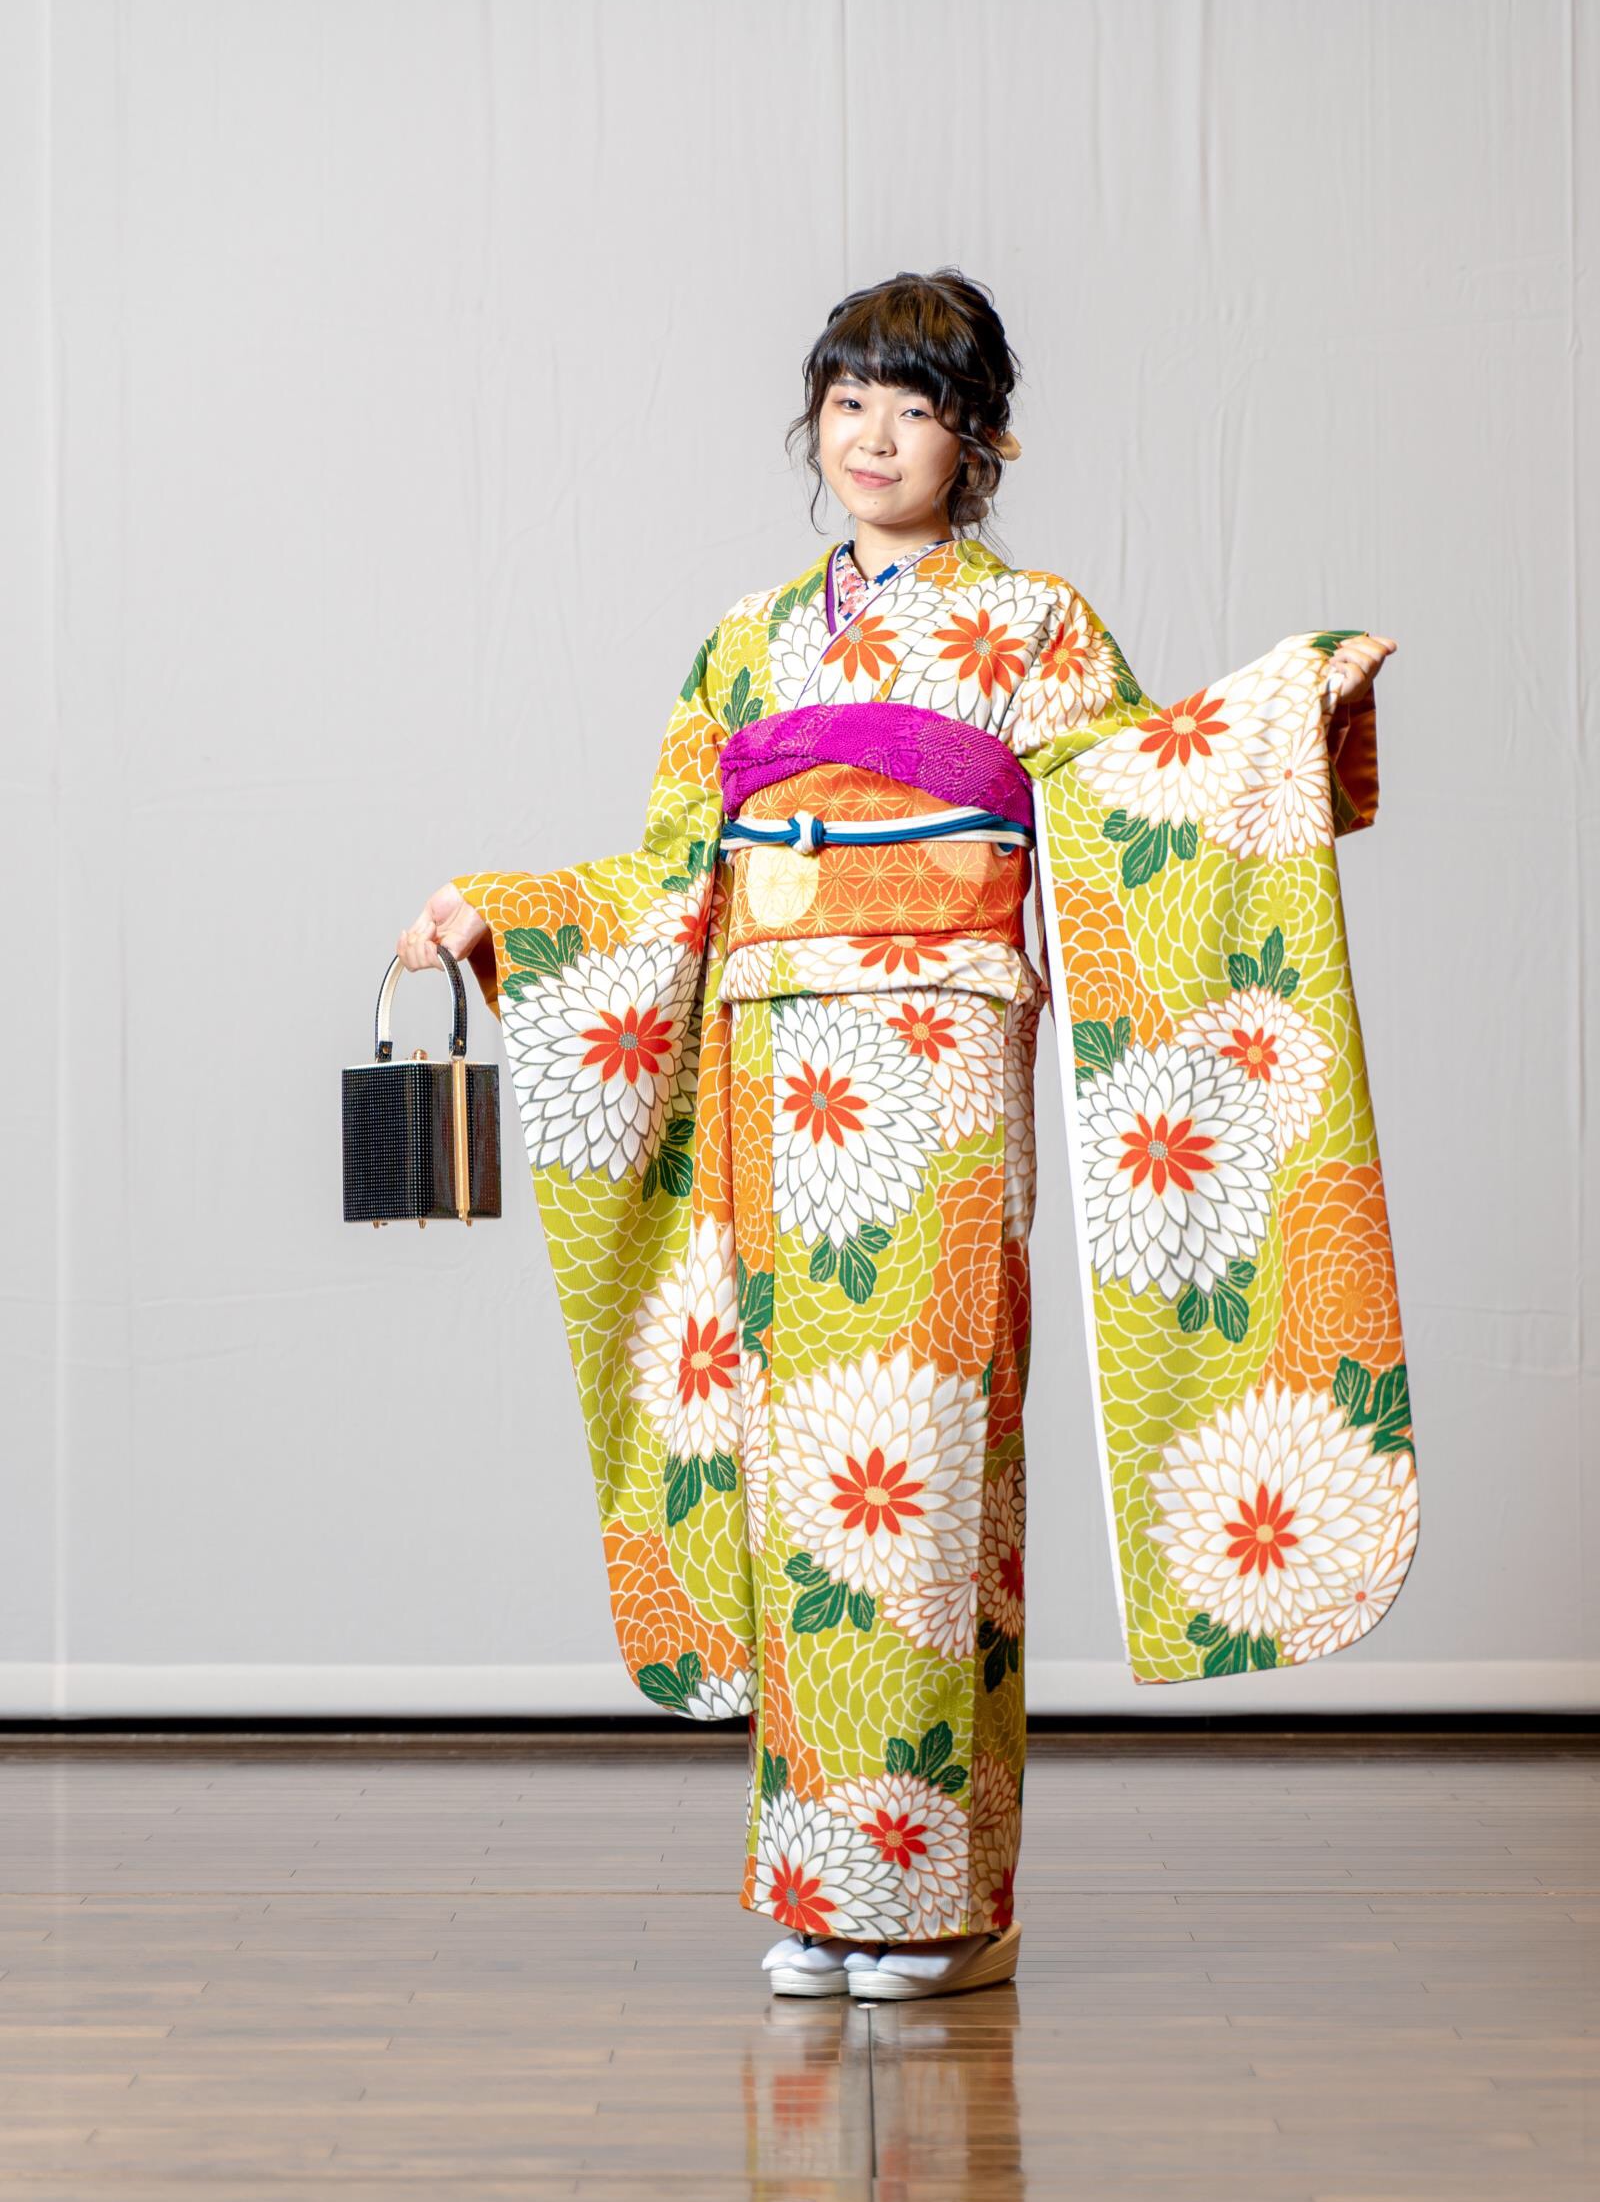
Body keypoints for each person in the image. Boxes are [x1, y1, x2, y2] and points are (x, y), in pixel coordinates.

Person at [397, 268, 1409, 2004]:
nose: (873, 437)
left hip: (940, 1067)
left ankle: (945, 1899)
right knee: (798, 1464)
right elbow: (675, 876)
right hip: (770, 1067)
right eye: (848, 400)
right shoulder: (746, 641)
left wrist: (1284, 711)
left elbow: (1141, 808)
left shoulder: (1040, 629)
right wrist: (508, 914)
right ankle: (820, 1889)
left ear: (979, 439)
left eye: (916, 406)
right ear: (814, 419)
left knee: (924, 1458)